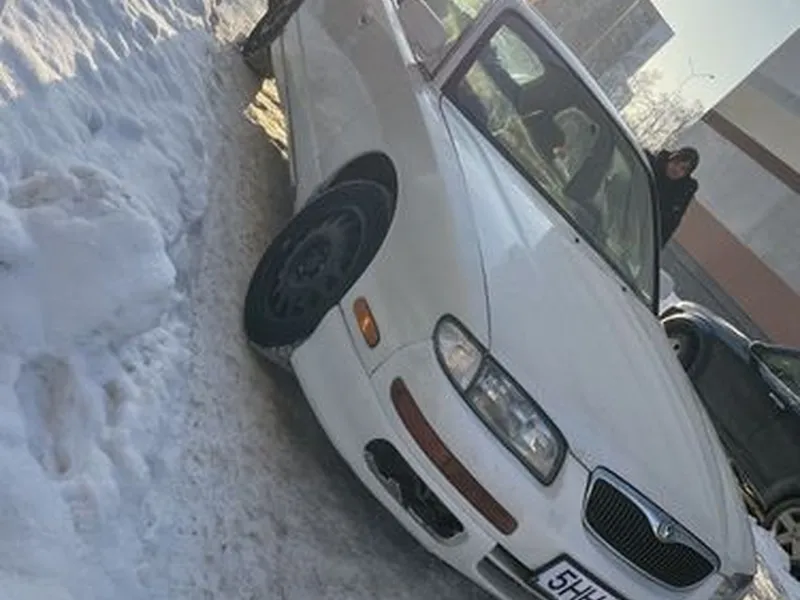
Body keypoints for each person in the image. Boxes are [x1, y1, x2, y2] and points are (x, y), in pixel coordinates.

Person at [646, 146, 700, 247]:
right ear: (670, 159)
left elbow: (672, 223)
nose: (676, 169)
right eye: (676, 163)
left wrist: (658, 246)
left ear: (687, 174)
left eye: (683, 169)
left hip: (646, 232)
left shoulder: (681, 193)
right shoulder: (649, 165)